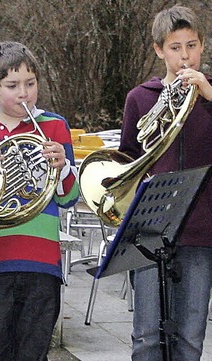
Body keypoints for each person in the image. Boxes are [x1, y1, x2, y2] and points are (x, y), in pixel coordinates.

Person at [0, 41, 79, 361]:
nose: (23, 93)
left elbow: (69, 198)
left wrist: (63, 166)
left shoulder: (54, 126)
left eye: (30, 83)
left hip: (42, 263)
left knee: (33, 352)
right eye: (12, 86)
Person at [118, 5, 212, 361]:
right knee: (145, 337)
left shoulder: (210, 94)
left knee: (191, 337)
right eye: (175, 47)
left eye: (192, 45)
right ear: (159, 50)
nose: (185, 55)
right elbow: (127, 160)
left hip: (202, 231)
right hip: (149, 232)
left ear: (203, 45)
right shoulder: (140, 98)